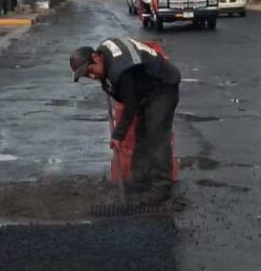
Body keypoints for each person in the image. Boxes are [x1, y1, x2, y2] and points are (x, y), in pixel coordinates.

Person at [70, 38, 181, 204]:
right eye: (87, 75)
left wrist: (118, 135)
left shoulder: (121, 68)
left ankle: (161, 188)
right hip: (144, 90)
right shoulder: (106, 59)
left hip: (162, 87)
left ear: (96, 57)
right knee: (142, 136)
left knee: (157, 137)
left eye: (90, 70)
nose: (91, 76)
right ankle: (139, 182)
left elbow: (129, 106)